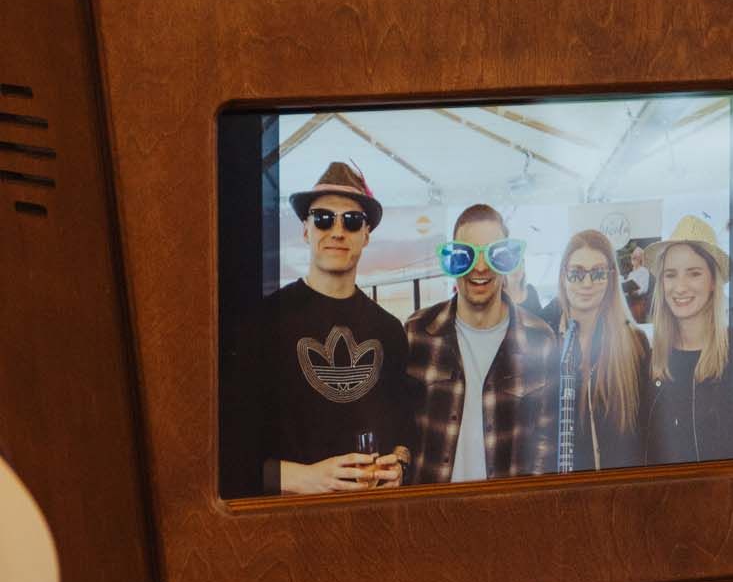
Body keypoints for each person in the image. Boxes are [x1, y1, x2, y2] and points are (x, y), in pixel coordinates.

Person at [220, 161, 412, 497]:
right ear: (306, 229)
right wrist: (306, 478)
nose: (337, 231)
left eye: (351, 221)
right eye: (324, 218)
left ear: (366, 235)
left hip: (371, 520)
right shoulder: (262, 323)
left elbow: (403, 427)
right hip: (289, 525)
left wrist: (399, 465)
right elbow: (226, 453)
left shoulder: (390, 330)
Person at [406, 203, 559, 484]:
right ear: (453, 260)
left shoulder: (540, 340)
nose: (479, 267)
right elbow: (400, 434)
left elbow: (545, 445)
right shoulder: (416, 334)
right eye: (466, 255)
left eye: (494, 255)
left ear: (508, 261)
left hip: (507, 518)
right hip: (429, 517)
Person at [643, 214, 733, 465]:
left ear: (712, 281)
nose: (680, 287)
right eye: (671, 275)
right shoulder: (651, 360)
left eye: (694, 273)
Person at [545, 229, 651, 472]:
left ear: (611, 278)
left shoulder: (635, 344)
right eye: (577, 273)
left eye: (598, 273)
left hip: (620, 498)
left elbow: (645, 435)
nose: (587, 283)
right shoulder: (544, 343)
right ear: (563, 276)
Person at [621, 241, 653, 324]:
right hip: (629, 302)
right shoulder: (631, 273)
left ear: (640, 259)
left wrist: (637, 292)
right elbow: (627, 286)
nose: (633, 260)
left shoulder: (644, 271)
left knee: (638, 324)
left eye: (635, 258)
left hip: (638, 303)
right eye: (632, 258)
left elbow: (644, 288)